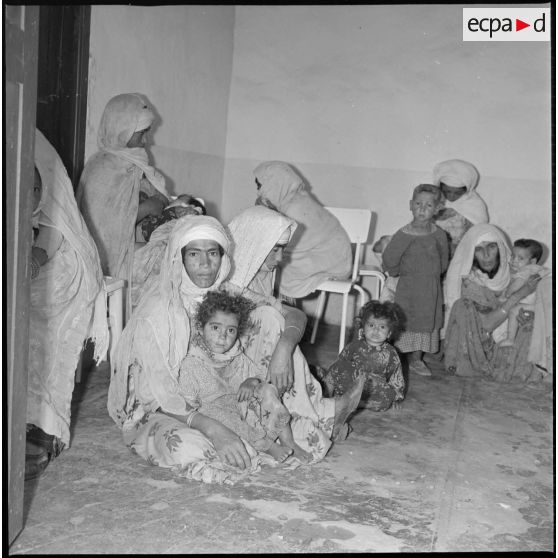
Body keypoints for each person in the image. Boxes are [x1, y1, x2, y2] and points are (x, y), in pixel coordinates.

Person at [226, 205, 364, 444]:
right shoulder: (224, 283)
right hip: (228, 371)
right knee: (270, 318)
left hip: (254, 364)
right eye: (275, 249)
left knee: (278, 325)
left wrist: (284, 349)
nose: (280, 259)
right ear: (253, 243)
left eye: (283, 250)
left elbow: (297, 315)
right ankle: (325, 414)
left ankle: (323, 414)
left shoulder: (257, 276)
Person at [26, 130, 109, 480]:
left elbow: (50, 228)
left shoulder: (28, 140)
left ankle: (44, 426)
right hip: (25, 251)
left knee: (40, 340)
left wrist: (32, 259)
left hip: (59, 265)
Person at [178, 290, 312, 464]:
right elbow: (187, 405)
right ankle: (269, 447)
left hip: (240, 401)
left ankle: (289, 441)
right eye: (215, 327)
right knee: (221, 417)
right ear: (200, 328)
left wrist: (250, 382)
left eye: (231, 330)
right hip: (213, 409)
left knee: (268, 390)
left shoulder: (235, 354)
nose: (222, 336)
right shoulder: (191, 362)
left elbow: (256, 376)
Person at [76, 93, 170, 309]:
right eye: (142, 133)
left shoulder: (134, 161)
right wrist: (147, 208)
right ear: (122, 129)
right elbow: (103, 226)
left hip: (133, 249)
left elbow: (158, 196)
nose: (147, 141)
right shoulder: (102, 167)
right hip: (107, 261)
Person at [443, 224, 551, 383]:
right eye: (479, 249)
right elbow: (484, 326)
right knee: (462, 305)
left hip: (506, 337)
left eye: (491, 247)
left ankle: (541, 370)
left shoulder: (515, 271)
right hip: (478, 343)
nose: (486, 255)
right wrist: (518, 295)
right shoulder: (469, 281)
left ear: (500, 248)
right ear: (472, 254)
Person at [253, 161, 352, 300]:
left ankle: (281, 311)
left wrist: (264, 210)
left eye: (261, 186)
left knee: (269, 270)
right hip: (330, 258)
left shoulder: (294, 208)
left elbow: (283, 243)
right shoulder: (295, 199)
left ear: (276, 184)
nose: (258, 192)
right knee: (269, 264)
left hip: (330, 262)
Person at [382, 184, 449, 377]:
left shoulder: (439, 235)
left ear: (437, 209)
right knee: (405, 322)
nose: (422, 209)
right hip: (408, 288)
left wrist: (434, 276)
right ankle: (394, 360)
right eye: (418, 203)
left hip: (430, 289)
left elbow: (444, 260)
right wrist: (396, 272)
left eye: (428, 205)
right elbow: (389, 259)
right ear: (411, 205)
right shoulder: (403, 234)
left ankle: (417, 360)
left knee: (425, 323)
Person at [319, 300, 406, 439]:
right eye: (371, 325)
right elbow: (340, 366)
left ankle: (358, 404)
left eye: (382, 327)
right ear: (363, 328)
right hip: (352, 386)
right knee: (338, 367)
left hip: (372, 390)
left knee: (386, 399)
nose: (376, 330)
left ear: (389, 333)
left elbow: (396, 376)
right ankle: (327, 395)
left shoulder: (391, 353)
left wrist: (396, 397)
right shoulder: (354, 346)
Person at [432, 159, 489, 257]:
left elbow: (478, 232)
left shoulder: (474, 205)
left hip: (460, 253)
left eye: (457, 193)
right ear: (440, 187)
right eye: (447, 191)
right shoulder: (432, 199)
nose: (451, 197)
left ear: (467, 190)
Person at [500, 239, 549, 347]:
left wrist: (507, 294)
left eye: (520, 258)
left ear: (532, 261)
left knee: (513, 311)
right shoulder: (537, 269)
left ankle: (510, 339)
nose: (514, 261)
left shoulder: (527, 270)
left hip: (541, 305)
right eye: (513, 256)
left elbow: (516, 285)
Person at [137, 193, 206, 242]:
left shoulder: (183, 212)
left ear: (190, 206)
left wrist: (196, 211)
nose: (172, 201)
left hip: (148, 233)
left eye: (178, 199)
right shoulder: (166, 211)